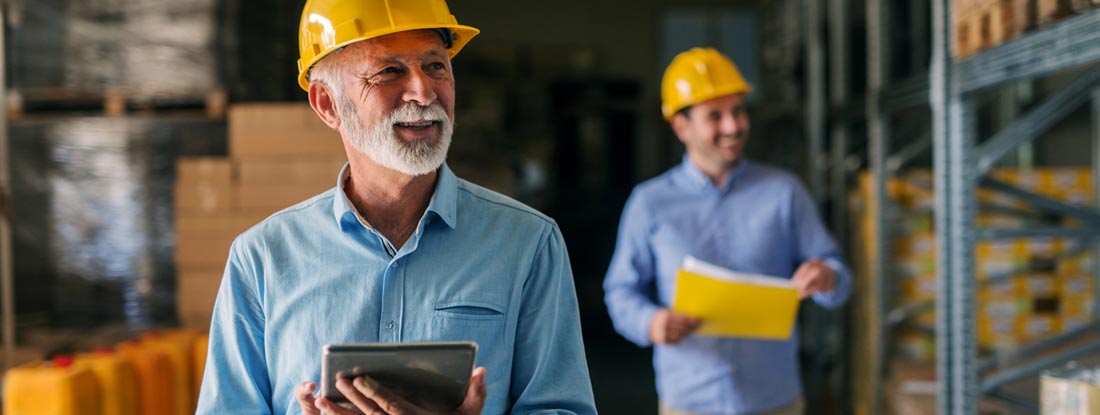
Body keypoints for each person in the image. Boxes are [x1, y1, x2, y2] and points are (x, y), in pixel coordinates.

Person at [195, 0, 596, 413]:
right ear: (327, 104)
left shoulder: (527, 243)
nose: (423, 92)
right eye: (389, 71)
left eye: (436, 66)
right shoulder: (262, 258)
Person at [603, 47, 852, 415]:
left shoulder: (785, 192)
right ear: (681, 126)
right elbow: (620, 291)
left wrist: (828, 276)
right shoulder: (649, 203)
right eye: (715, 116)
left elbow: (840, 277)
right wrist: (650, 322)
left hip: (774, 399)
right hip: (688, 401)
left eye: (738, 111)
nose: (733, 127)